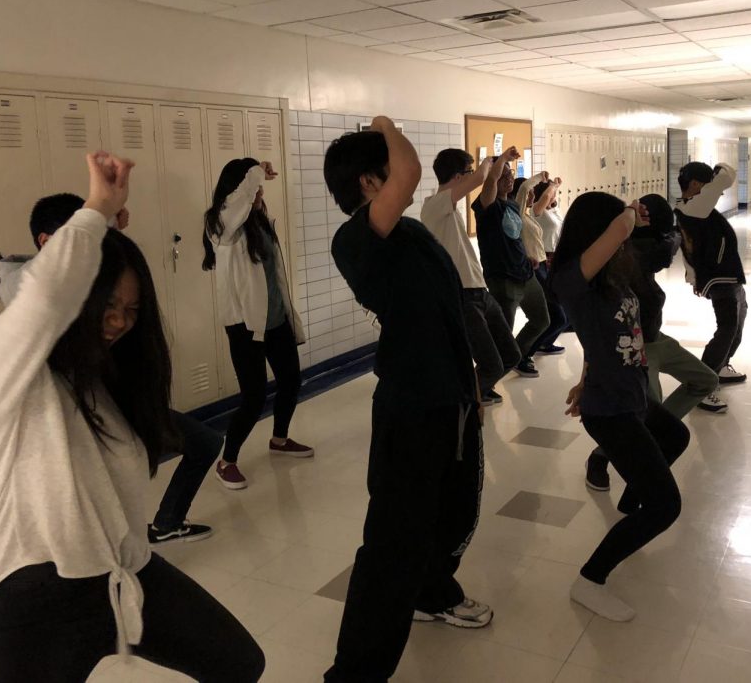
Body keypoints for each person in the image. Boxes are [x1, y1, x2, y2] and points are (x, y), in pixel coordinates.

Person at [0, 153, 264, 683]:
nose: (118, 322)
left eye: (131, 311)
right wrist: (96, 212)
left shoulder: (103, 382)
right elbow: (40, 302)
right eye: (107, 305)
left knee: (239, 662)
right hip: (35, 600)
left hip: (126, 574)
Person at [323, 118, 490, 683]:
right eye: (390, 173)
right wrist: (385, 125)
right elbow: (413, 169)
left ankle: (433, 593)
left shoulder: (412, 234)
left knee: (453, 513)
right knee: (393, 546)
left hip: (449, 398)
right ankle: (354, 674)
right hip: (411, 409)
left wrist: (470, 384)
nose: (404, 179)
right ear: (372, 182)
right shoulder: (355, 240)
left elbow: (443, 312)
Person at [551, 192, 689, 622]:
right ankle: (589, 580)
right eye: (615, 228)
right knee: (667, 506)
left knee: (676, 436)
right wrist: (629, 212)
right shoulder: (570, 279)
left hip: (630, 394)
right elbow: (618, 231)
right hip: (610, 409)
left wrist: (584, 374)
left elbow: (603, 334)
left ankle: (631, 510)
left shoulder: (609, 277)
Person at [584, 193, 718, 491]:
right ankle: (600, 457)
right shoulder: (628, 250)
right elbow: (661, 253)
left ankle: (653, 435)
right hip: (637, 346)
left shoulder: (645, 245)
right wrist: (673, 234)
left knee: (705, 381)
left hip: (658, 339)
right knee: (644, 411)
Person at [203, 158, 310, 490]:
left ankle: (279, 439)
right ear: (239, 188)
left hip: (274, 319)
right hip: (245, 324)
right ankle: (227, 461)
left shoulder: (257, 221)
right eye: (254, 187)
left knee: (291, 381)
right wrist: (256, 170)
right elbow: (240, 200)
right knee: (253, 397)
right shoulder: (221, 222)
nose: (259, 191)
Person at [421, 148, 521, 406]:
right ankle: (463, 404)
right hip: (463, 297)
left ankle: (472, 394)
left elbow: (483, 180)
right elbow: (480, 179)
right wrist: (493, 161)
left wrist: (502, 161)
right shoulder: (433, 206)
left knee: (510, 355)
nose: (472, 176)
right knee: (491, 365)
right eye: (468, 171)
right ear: (457, 176)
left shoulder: (449, 208)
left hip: (480, 292)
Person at [675, 162, 748, 412]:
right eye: (706, 184)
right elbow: (726, 178)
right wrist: (719, 169)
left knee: (737, 325)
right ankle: (702, 384)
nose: (714, 191)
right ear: (695, 184)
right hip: (720, 278)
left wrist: (694, 277)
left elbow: (689, 248)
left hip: (728, 275)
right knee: (727, 328)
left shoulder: (693, 207)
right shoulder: (693, 207)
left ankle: (722, 365)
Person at [471, 151, 549, 378]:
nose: (508, 178)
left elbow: (514, 238)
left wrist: (527, 257)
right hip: (503, 281)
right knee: (501, 334)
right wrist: (503, 158)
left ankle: (515, 357)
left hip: (526, 275)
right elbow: (491, 181)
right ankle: (485, 382)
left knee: (542, 320)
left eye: (511, 173)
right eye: (503, 174)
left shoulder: (513, 206)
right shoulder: (486, 207)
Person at [512, 174, 568, 359]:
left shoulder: (526, 215)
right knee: (554, 316)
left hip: (542, 265)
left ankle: (533, 349)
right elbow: (524, 191)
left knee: (555, 316)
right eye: (529, 194)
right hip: (535, 269)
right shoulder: (517, 213)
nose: (531, 197)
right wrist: (543, 180)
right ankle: (524, 354)